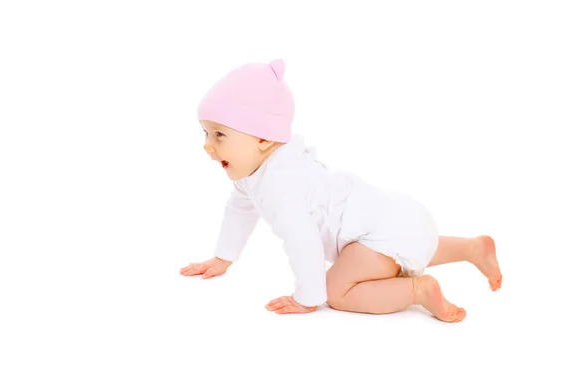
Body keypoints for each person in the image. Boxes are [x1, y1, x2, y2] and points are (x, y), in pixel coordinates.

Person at [180, 59, 502, 322]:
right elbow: (240, 209)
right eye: (205, 133)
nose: (207, 146)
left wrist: (307, 298)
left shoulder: (282, 185)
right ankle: (472, 248)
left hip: (375, 237)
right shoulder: (258, 170)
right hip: (399, 218)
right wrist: (224, 257)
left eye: (219, 135)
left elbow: (303, 241)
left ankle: (418, 290)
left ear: (262, 139)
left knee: (337, 291)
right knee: (409, 244)